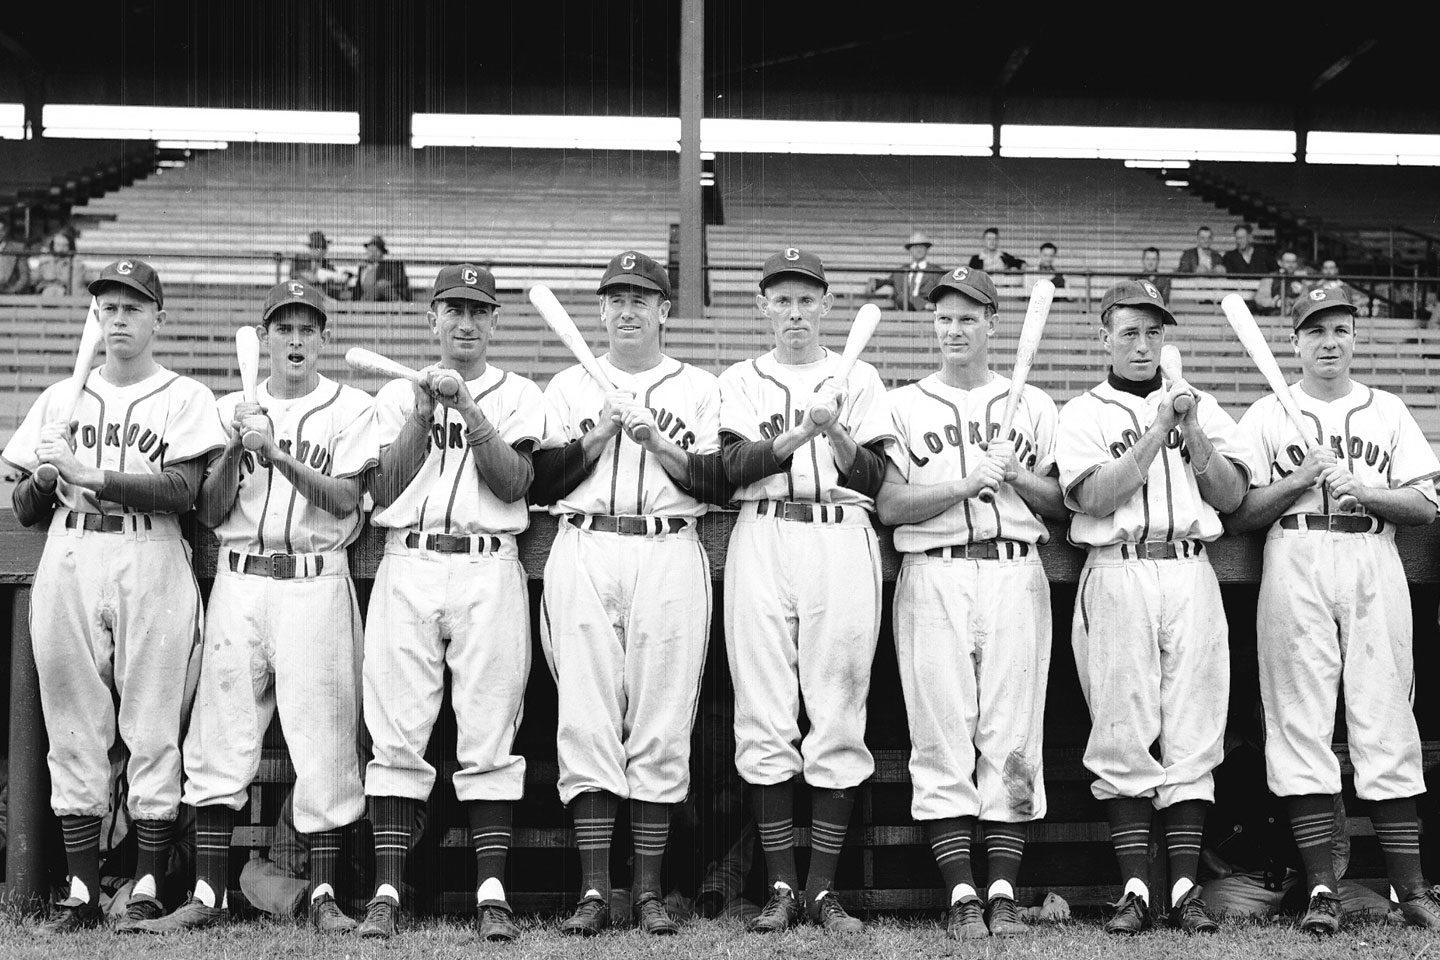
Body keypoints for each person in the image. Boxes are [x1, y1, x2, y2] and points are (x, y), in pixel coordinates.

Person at [135, 279, 373, 934]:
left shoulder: (351, 406)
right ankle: (207, 897)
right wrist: (238, 454)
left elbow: (346, 500)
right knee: (219, 734)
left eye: (307, 328)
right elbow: (209, 511)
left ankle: (323, 896)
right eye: (283, 328)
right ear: (263, 337)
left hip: (314, 580)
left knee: (325, 740)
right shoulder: (225, 409)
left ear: (322, 337)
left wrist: (277, 455)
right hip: (239, 581)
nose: (295, 340)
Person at [0, 258, 226, 933]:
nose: (119, 317)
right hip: (71, 552)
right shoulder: (57, 399)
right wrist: (44, 474)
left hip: (150, 549)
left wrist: (89, 471)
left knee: (154, 722)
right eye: (109, 305)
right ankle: (78, 887)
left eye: (133, 306)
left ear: (157, 317)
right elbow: (24, 510)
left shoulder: (184, 396)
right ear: (95, 315)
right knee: (71, 724)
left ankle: (149, 882)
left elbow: (185, 491)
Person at [1224, 286, 1440, 934]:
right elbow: (1238, 513)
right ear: (1295, 342)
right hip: (1293, 555)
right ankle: (1321, 889)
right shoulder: (1265, 413)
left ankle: (1411, 890)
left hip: (1373, 558)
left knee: (1386, 721)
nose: (1329, 341)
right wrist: (1296, 481)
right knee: (1299, 724)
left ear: (1354, 337)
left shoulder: (1389, 411)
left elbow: (1426, 507)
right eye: (1316, 331)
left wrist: (1369, 493)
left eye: (1340, 329)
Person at [530, 250, 729, 936]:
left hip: (670, 545)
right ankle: (594, 891)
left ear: (665, 310)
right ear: (602, 310)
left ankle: (646, 891)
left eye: (641, 298)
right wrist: (605, 429)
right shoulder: (566, 386)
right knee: (584, 718)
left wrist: (655, 441)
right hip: (584, 545)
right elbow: (545, 481)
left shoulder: (700, 388)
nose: (627, 309)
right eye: (615, 298)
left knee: (662, 719)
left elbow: (714, 481)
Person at [1053, 279, 1250, 936]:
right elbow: (1096, 497)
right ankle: (1136, 889)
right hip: (1117, 570)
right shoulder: (1081, 412)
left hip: (1191, 570)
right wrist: (1157, 429)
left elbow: (1228, 494)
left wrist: (1190, 427)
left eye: (1154, 332)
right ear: (1104, 336)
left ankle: (1187, 890)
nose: (1143, 344)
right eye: (1129, 331)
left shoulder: (1202, 407)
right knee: (1120, 730)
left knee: (1195, 734)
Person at [875, 266, 1066, 941]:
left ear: (992, 325)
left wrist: (1014, 474)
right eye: (943, 318)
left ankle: (1005, 892)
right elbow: (891, 504)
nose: (954, 330)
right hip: (933, 574)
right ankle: (960, 892)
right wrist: (962, 484)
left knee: (1013, 732)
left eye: (967, 318)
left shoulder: (1035, 404)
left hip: (1015, 571)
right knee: (941, 733)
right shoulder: (902, 404)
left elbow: (1063, 504)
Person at [353, 263, 542, 943]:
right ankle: (386, 890)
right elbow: (386, 485)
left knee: (489, 730)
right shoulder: (395, 395)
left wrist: (467, 407)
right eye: (451, 310)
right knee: (395, 729)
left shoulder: (520, 393)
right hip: (409, 560)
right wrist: (424, 410)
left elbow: (515, 481)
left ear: (494, 323)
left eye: (478, 311)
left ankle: (491, 890)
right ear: (431, 319)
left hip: (489, 566)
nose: (464, 322)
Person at [717, 247, 894, 934]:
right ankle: (782, 887)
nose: (794, 311)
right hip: (762, 531)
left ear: (826, 305)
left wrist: (837, 432)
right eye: (781, 299)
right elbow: (732, 464)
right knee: (763, 711)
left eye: (806, 299)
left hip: (839, 532)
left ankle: (822, 890)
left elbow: (879, 478)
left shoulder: (862, 377)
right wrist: (798, 433)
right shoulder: (739, 379)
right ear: (764, 306)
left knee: (839, 705)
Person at [887, 231, 944, 311]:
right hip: (905, 309)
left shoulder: (936, 271)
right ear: (910, 250)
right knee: (901, 298)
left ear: (926, 249)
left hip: (927, 312)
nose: (918, 250)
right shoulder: (900, 271)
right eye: (915, 247)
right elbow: (891, 284)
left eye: (921, 247)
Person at [288, 230, 350, 299]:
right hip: (303, 291)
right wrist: (305, 274)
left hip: (321, 292)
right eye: (320, 248)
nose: (324, 251)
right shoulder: (300, 258)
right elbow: (292, 273)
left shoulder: (325, 262)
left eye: (324, 248)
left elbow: (333, 274)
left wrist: (337, 277)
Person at [350, 235, 410, 302]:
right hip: (366, 299)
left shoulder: (391, 265)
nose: (372, 253)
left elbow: (397, 283)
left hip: (386, 300)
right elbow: (358, 288)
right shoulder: (363, 268)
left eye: (375, 250)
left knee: (381, 285)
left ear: (382, 252)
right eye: (370, 250)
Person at [0, 219, 32, 294]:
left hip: (9, 292)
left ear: (5, 231)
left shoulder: (18, 248)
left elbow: (24, 276)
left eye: (1, 230)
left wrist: (12, 291)